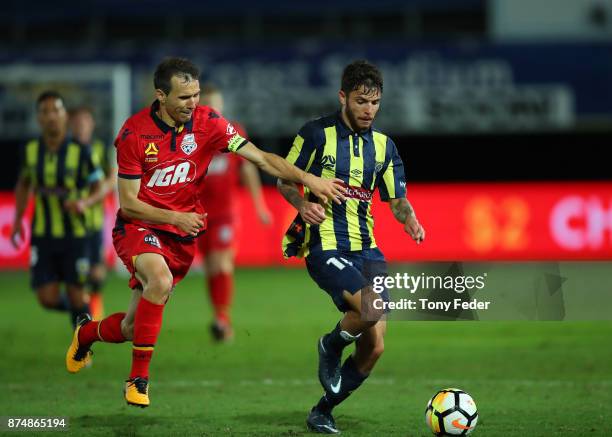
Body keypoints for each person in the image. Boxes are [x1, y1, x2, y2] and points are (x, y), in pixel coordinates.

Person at [65, 57, 345, 408]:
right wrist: (175, 217)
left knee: (131, 329)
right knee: (160, 280)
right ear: (160, 95)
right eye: (184, 97)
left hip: (181, 236)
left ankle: (86, 333)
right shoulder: (134, 134)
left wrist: (308, 178)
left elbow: (259, 158)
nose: (193, 103)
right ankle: (138, 379)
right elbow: (129, 203)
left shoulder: (209, 123)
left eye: (196, 95)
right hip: (139, 226)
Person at [277, 60, 426, 434]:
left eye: (375, 103)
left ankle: (323, 410)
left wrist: (408, 217)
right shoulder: (315, 134)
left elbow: (396, 199)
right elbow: (284, 179)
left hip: (368, 249)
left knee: (375, 347)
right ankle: (330, 344)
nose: (368, 110)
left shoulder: (384, 146)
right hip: (324, 244)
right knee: (372, 308)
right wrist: (302, 204)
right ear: (343, 97)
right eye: (361, 101)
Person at [11, 91, 104, 328]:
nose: (51, 116)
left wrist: (84, 202)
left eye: (56, 110)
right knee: (47, 298)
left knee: (75, 292)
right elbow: (24, 183)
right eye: (45, 111)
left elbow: (100, 186)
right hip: (43, 235)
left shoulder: (81, 151)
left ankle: (82, 348)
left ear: (65, 116)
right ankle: (85, 315)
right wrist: (17, 220)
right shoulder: (30, 150)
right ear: (38, 118)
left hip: (75, 235)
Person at [197, 84, 272, 342]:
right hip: (197, 213)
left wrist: (260, 206)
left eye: (215, 105)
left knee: (222, 262)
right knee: (209, 267)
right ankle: (220, 318)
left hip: (226, 212)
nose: (212, 111)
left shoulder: (233, 132)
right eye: (207, 106)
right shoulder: (191, 137)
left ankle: (222, 319)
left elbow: (248, 169)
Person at [69, 106, 118, 320]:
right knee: (77, 276)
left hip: (94, 221)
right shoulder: (64, 150)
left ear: (92, 125)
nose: (81, 127)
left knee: (97, 275)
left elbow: (112, 177)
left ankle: (92, 314)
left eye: (85, 122)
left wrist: (96, 194)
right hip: (68, 223)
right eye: (77, 123)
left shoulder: (99, 148)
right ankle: (83, 316)